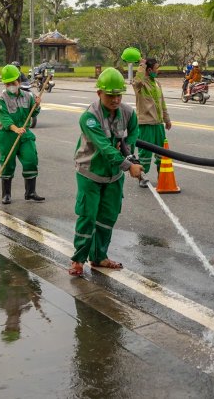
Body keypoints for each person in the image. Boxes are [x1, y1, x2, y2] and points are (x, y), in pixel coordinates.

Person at [69, 68, 142, 277]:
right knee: (88, 216)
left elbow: (134, 131)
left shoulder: (127, 112)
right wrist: (129, 166)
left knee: (108, 216)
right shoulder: (89, 117)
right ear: (99, 93)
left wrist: (128, 148)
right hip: (89, 173)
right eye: (111, 95)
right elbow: (104, 147)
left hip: (113, 175)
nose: (116, 99)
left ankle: (99, 257)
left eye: (119, 95)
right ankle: (78, 260)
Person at [0, 64, 44, 204]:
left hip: (25, 134)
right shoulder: (1, 100)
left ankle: (30, 192)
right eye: (8, 83)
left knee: (31, 159)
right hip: (8, 135)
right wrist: (15, 128)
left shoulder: (28, 96)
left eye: (13, 82)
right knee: (8, 164)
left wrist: (37, 105)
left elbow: (33, 113)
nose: (11, 85)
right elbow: (4, 118)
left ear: (19, 81)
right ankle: (6, 194)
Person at [132, 57, 171, 187]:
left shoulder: (157, 83)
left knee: (162, 152)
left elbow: (162, 102)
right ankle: (142, 176)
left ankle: (162, 175)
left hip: (158, 124)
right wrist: (141, 65)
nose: (158, 71)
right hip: (145, 124)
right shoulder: (141, 85)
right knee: (145, 153)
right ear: (149, 69)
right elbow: (137, 81)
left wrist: (167, 119)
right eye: (156, 69)